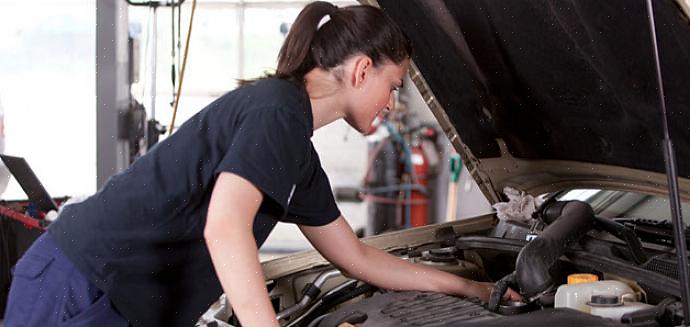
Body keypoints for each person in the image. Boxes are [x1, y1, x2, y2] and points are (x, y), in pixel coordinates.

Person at [3, 2, 518, 326]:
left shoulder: (294, 148)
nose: (392, 101)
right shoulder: (276, 110)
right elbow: (225, 226)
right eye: (393, 86)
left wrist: (474, 288)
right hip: (78, 286)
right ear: (363, 70)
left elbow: (358, 260)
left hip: (116, 298)